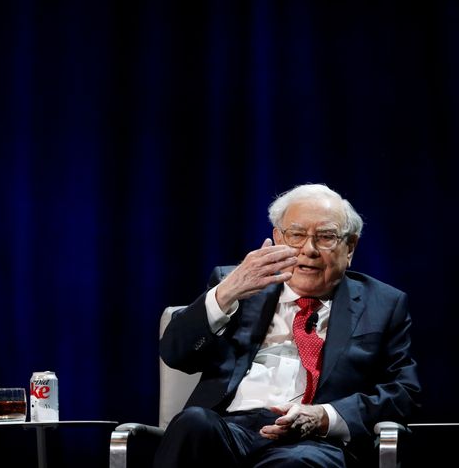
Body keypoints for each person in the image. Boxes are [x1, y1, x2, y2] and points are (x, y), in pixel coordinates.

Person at [153, 183, 420, 467]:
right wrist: (225, 293)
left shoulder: (383, 303)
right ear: (277, 238)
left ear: (350, 247)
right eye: (296, 235)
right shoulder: (238, 285)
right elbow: (175, 353)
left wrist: (324, 416)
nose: (309, 249)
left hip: (313, 441)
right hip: (227, 430)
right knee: (193, 422)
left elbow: (403, 393)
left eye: (326, 237)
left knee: (297, 463)